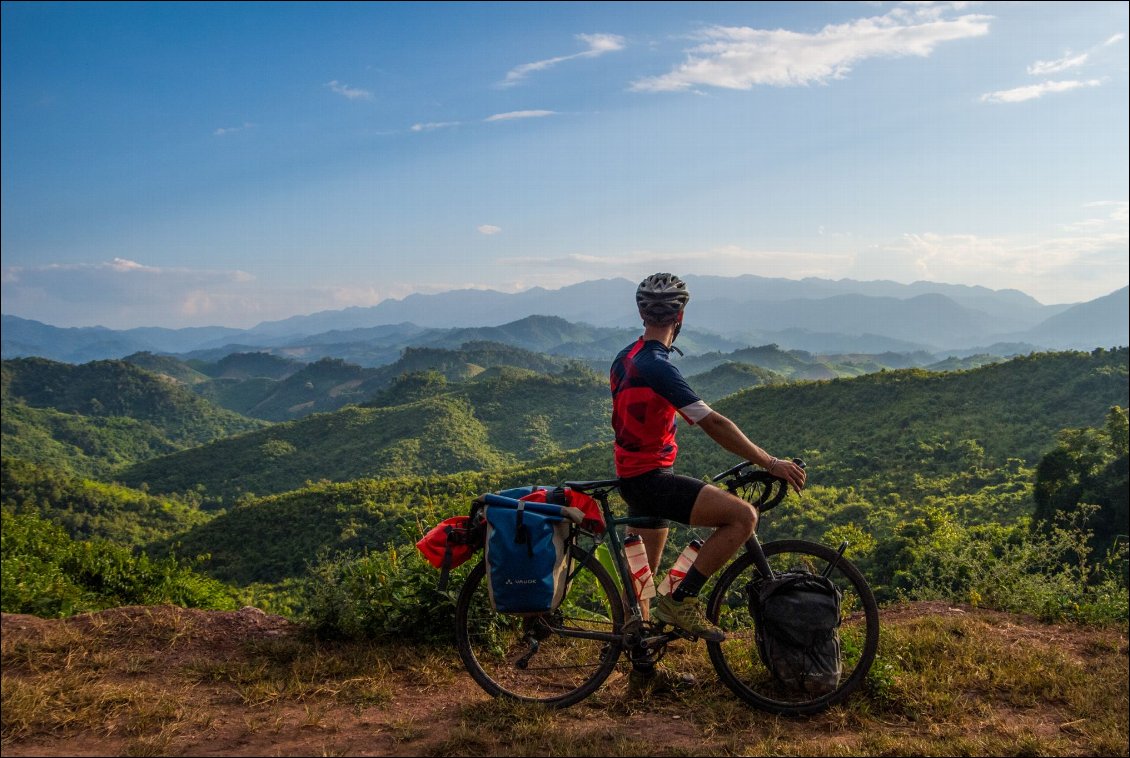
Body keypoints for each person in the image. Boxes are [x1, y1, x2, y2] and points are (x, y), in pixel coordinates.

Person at [610, 272, 806, 694]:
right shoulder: (656, 366)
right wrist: (769, 462)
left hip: (633, 476)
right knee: (742, 516)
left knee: (644, 584)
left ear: (642, 313)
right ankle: (682, 603)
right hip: (651, 480)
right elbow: (713, 422)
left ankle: (642, 679)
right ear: (680, 316)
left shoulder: (625, 358)